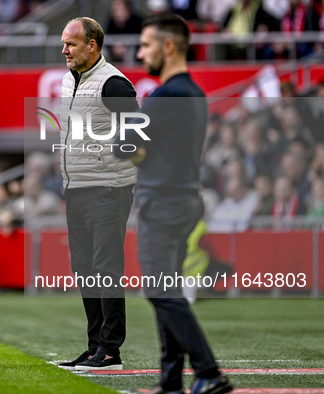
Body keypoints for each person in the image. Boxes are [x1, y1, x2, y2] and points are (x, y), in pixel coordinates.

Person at [114, 13, 233, 393]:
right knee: (169, 290)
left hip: (161, 205)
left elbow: (123, 147)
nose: (140, 52)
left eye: (146, 44)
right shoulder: (195, 95)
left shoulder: (164, 96)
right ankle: (169, 383)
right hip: (184, 200)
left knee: (159, 291)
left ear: (169, 46)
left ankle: (208, 372)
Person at [56, 17, 139, 371]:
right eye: (64, 43)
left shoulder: (114, 83)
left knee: (106, 269)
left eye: (71, 44)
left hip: (107, 188)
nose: (65, 50)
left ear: (93, 45)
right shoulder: (67, 80)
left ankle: (111, 351)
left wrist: (110, 155)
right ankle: (94, 348)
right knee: (85, 268)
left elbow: (135, 132)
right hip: (76, 188)